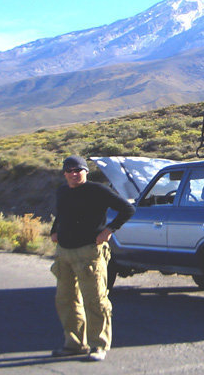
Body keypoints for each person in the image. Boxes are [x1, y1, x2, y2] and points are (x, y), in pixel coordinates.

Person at [49, 155, 135, 362]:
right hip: (65, 252)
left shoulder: (98, 190)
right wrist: (54, 230)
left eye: (78, 170)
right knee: (66, 300)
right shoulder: (63, 191)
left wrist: (109, 230)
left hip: (89, 252)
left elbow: (128, 209)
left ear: (86, 172)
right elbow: (61, 214)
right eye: (69, 171)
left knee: (95, 300)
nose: (73, 174)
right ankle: (74, 344)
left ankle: (99, 345)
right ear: (64, 174)